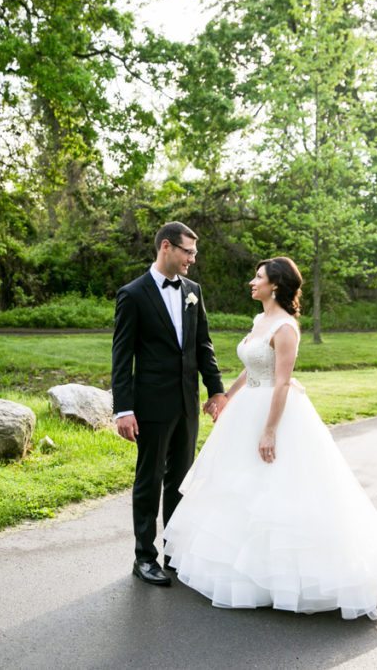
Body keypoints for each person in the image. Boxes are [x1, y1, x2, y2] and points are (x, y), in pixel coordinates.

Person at [162, 256, 377, 620]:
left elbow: (280, 381)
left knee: (278, 490)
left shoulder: (285, 328)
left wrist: (270, 430)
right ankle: (241, 571)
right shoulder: (259, 320)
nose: (252, 281)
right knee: (241, 490)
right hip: (247, 406)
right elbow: (252, 369)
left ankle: (282, 579)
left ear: (275, 285)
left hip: (274, 411)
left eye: (259, 277)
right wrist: (225, 396)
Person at [111, 221, 228, 587]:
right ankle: (144, 558)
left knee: (180, 480)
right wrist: (124, 409)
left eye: (193, 253)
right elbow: (122, 356)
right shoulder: (133, 294)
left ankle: (174, 552)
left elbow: (202, 345)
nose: (192, 259)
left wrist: (216, 390)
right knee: (149, 479)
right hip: (151, 404)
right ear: (166, 247)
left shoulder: (193, 291)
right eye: (187, 251)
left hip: (186, 402)